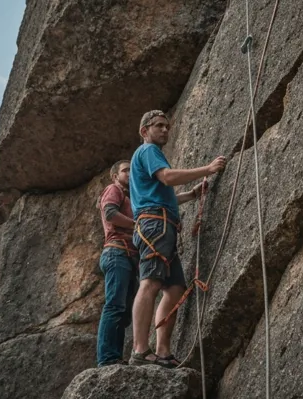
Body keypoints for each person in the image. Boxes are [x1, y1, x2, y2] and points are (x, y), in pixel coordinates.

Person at [127, 110, 226, 367]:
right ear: (144, 131)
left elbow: (163, 194)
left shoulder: (147, 157)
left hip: (162, 224)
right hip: (155, 226)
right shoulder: (148, 151)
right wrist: (208, 169)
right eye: (159, 126)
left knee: (174, 288)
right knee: (149, 282)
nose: (165, 131)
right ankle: (139, 350)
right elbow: (168, 178)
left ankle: (163, 351)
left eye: (167, 126)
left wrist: (191, 195)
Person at [96, 160, 138, 366]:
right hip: (117, 253)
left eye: (132, 169)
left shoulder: (132, 198)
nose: (130, 173)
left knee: (123, 312)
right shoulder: (114, 189)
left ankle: (114, 357)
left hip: (128, 256)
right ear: (115, 176)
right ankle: (107, 359)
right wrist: (138, 225)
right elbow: (110, 214)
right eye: (125, 170)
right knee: (115, 305)